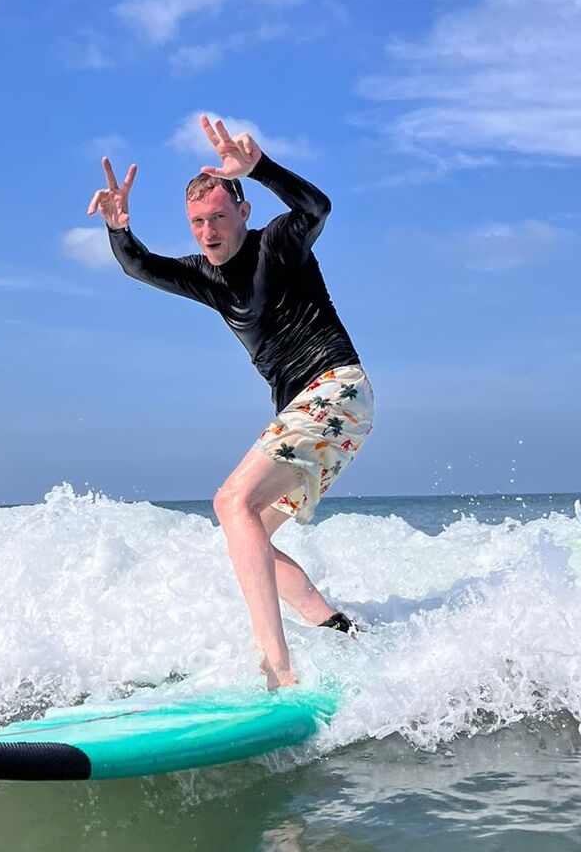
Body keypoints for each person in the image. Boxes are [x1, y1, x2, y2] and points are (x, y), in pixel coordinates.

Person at [87, 114, 373, 690]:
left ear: (243, 212)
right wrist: (120, 228)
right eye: (197, 222)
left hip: (334, 389)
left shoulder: (278, 244)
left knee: (230, 503)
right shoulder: (206, 276)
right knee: (247, 534)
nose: (209, 230)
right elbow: (141, 266)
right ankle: (342, 632)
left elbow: (317, 209)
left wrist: (260, 167)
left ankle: (277, 666)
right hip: (327, 418)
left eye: (219, 216)